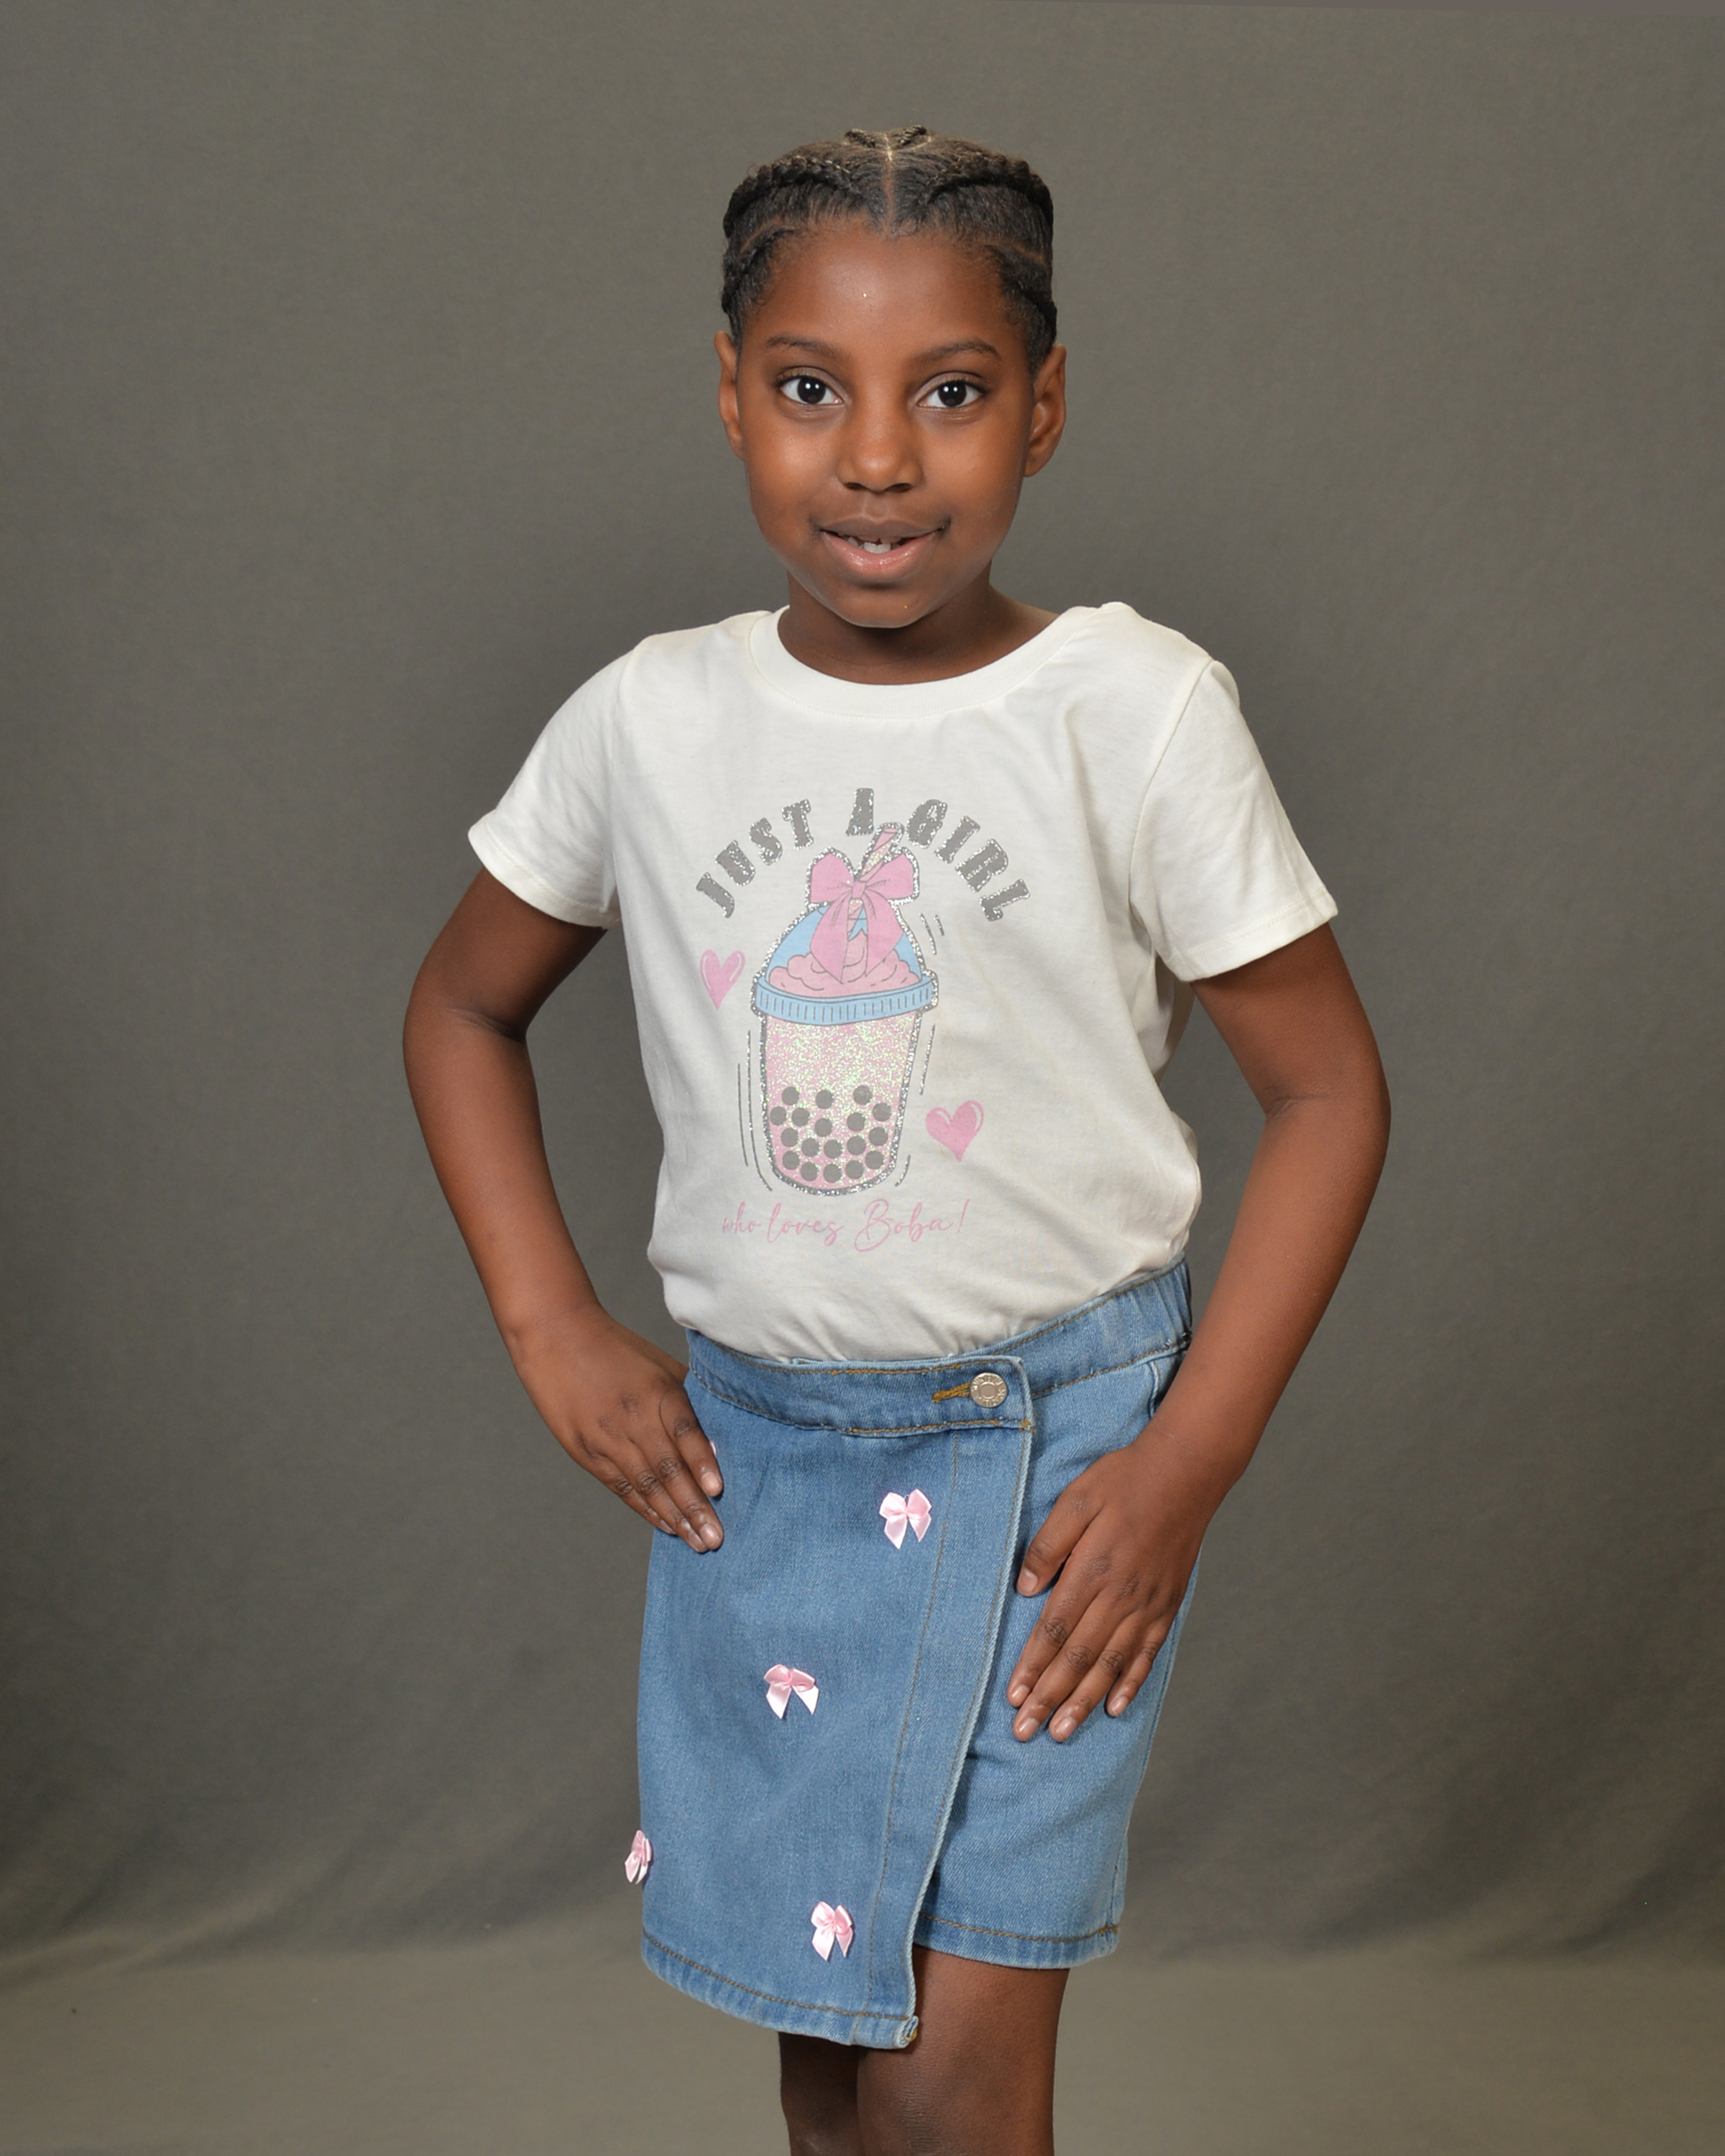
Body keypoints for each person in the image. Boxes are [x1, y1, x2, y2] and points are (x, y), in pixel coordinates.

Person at [403, 126, 1389, 2156]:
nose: (874, 458)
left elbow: (1329, 1092)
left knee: (952, 2078)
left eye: (949, 392)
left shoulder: (1134, 709)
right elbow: (460, 1008)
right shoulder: (648, 721)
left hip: (1055, 1476)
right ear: (728, 391)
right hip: (768, 1475)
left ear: (1044, 404)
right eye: (808, 387)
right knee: (838, 2067)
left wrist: (1188, 1462)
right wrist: (550, 1325)